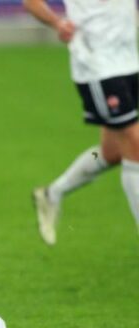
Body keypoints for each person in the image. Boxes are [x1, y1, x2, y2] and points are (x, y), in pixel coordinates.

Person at [24, 0, 139, 245]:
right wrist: (57, 23)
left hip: (129, 61)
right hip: (97, 65)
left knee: (113, 152)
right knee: (135, 145)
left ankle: (51, 194)